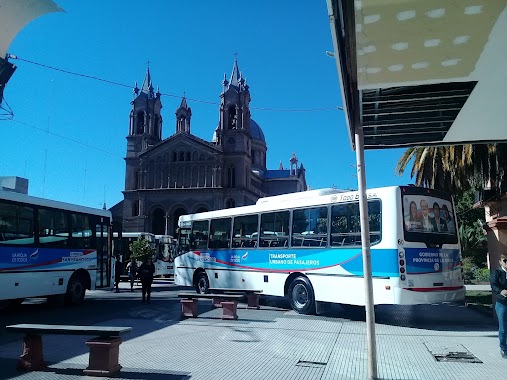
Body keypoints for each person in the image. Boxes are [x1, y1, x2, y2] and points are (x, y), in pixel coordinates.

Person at [491, 253, 507, 359]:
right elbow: (494, 284)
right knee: (503, 327)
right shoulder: (497, 272)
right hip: (502, 303)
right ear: (500, 262)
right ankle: (503, 347)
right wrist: (501, 291)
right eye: (505, 260)